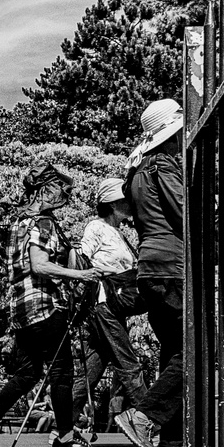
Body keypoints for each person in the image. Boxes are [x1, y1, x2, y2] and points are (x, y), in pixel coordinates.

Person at [0, 163, 102, 447]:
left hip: (20, 309)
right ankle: (65, 439)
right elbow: (39, 265)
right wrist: (82, 275)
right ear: (44, 191)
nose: (61, 198)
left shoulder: (18, 223)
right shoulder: (43, 223)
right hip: (43, 306)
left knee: (28, 373)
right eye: (57, 191)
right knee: (63, 372)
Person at [116, 99, 186, 447]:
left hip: (149, 267)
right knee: (198, 351)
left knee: (175, 352)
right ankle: (144, 417)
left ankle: (171, 441)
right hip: (173, 266)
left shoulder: (138, 170)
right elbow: (183, 213)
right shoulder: (164, 165)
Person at [72, 179, 149, 420]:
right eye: (125, 200)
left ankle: (64, 421)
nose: (130, 203)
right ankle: (149, 422)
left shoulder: (119, 232)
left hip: (112, 308)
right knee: (127, 363)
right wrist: (91, 275)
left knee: (95, 365)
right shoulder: (96, 227)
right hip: (103, 305)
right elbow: (80, 257)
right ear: (112, 204)